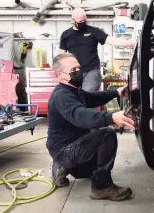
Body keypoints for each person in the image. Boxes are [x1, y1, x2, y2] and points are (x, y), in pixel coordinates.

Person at [46, 53, 136, 201]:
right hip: (64, 150)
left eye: (78, 68)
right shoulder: (61, 96)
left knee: (91, 170)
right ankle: (101, 188)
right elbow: (80, 115)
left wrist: (116, 92)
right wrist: (111, 117)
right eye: (73, 69)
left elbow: (93, 97)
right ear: (60, 74)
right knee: (106, 134)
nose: (79, 72)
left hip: (70, 146)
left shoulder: (74, 91)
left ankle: (62, 167)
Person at [58, 8, 135, 92]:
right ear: (73, 20)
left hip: (91, 71)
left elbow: (111, 40)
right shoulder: (66, 35)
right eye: (80, 22)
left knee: (87, 96)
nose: (82, 24)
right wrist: (60, 70)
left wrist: (131, 42)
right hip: (75, 72)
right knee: (75, 98)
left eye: (84, 21)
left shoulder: (94, 31)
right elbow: (61, 54)